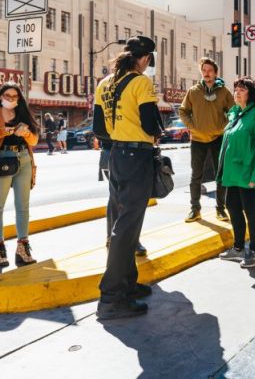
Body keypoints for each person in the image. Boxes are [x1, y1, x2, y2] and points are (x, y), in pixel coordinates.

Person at [96, 36, 163, 320]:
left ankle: (126, 284)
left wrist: (120, 139)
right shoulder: (141, 83)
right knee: (127, 226)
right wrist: (149, 134)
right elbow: (151, 124)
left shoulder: (105, 83)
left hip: (116, 157)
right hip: (137, 157)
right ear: (145, 58)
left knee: (125, 221)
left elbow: (99, 128)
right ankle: (111, 297)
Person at [217, 77, 255, 268]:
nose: (237, 92)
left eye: (242, 89)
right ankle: (238, 248)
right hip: (233, 173)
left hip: (249, 173)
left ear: (252, 94)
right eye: (236, 89)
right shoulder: (235, 113)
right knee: (232, 207)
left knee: (251, 211)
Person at [94, 66, 148, 258]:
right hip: (126, 148)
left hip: (110, 149)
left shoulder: (104, 83)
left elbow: (97, 126)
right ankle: (128, 241)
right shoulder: (137, 81)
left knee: (115, 197)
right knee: (130, 200)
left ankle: (113, 238)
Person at [0, 82, 40, 268]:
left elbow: (34, 140)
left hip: (24, 158)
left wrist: (25, 133)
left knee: (23, 206)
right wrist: (5, 131)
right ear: (0, 96)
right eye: (7, 96)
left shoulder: (23, 113)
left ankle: (23, 246)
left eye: (14, 96)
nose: (11, 99)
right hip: (2, 159)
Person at [179, 57, 235, 223]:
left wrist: (222, 127)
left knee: (221, 176)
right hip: (197, 140)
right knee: (196, 176)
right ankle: (195, 209)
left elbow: (233, 112)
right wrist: (192, 126)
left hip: (218, 139)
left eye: (210, 70)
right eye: (204, 70)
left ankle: (221, 209)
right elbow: (183, 111)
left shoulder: (224, 92)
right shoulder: (193, 91)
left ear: (216, 73)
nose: (206, 73)